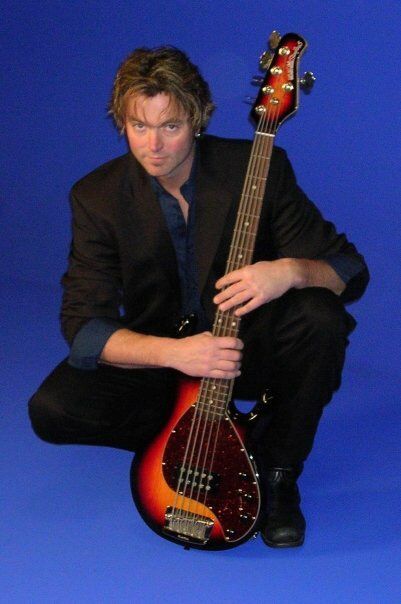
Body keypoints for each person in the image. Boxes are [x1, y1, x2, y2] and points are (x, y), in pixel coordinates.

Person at [28, 46, 369, 548]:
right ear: (121, 122)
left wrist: (291, 271)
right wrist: (175, 353)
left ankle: (278, 470)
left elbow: (349, 270)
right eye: (139, 126)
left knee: (321, 318)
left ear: (198, 119)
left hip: (241, 353)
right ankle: (187, 439)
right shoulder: (96, 197)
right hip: (166, 363)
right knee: (52, 410)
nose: (154, 145)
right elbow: (84, 328)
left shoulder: (258, 168)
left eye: (171, 126)